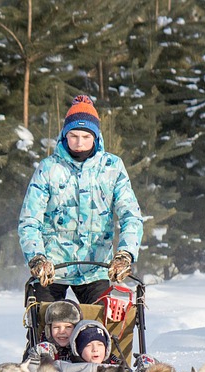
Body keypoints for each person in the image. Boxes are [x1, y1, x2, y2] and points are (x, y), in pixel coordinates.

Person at [19, 95, 144, 304]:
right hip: (52, 269)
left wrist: (125, 254)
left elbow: (131, 215)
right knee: (49, 324)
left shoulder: (112, 167)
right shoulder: (49, 168)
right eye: (74, 135)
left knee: (99, 330)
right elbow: (30, 219)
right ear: (64, 135)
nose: (79, 143)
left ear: (95, 137)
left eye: (86, 137)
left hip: (95, 268)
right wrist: (37, 256)